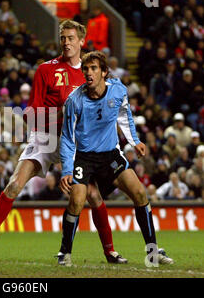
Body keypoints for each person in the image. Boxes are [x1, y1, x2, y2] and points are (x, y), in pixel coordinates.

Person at [0, 20, 127, 265]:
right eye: (63, 37)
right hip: (45, 136)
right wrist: (59, 114)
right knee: (13, 185)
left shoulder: (90, 73)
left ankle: (110, 252)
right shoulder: (45, 70)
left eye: (71, 38)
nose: (66, 42)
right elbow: (32, 109)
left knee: (93, 195)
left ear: (82, 41)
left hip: (74, 141)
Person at [58, 51, 174, 266]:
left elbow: (124, 115)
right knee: (77, 200)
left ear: (104, 72)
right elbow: (66, 137)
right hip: (84, 158)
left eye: (93, 68)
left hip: (110, 155)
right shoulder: (74, 100)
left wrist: (134, 141)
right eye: (85, 69)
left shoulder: (118, 89)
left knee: (140, 192)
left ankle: (153, 252)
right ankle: (65, 253)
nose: (88, 73)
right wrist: (66, 169)